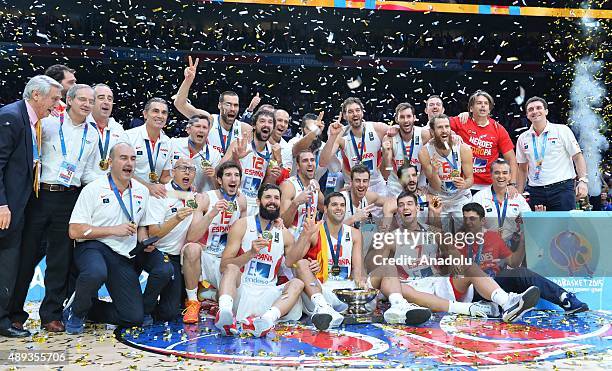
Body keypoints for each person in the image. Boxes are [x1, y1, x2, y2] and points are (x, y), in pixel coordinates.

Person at [372, 192, 540, 323]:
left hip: (437, 282)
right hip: (412, 289)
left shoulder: (431, 230)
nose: (405, 208)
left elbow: (450, 249)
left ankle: (507, 302)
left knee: (469, 266)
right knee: (403, 289)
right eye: (401, 205)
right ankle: (465, 308)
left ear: (417, 208)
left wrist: (454, 259)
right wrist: (386, 218)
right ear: (398, 211)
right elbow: (378, 265)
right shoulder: (391, 237)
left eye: (409, 204)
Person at [11, 84, 98, 333]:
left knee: (59, 261)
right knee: (26, 257)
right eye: (82, 99)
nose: (86, 104)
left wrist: (105, 184)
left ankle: (51, 314)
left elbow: (89, 171)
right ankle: (15, 313)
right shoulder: (48, 124)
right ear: (68, 101)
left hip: (69, 199)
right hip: (40, 197)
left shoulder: (92, 134)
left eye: (90, 101)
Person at [295, 192, 433, 329]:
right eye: (334, 205)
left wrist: (361, 280)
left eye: (342, 205)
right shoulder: (314, 231)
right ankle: (323, 309)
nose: (339, 208)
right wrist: (305, 237)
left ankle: (398, 306)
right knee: (301, 264)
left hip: (348, 292)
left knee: (388, 267)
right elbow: (291, 262)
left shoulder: (354, 234)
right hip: (323, 292)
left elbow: (358, 268)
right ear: (325, 209)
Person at [63, 142, 150, 334]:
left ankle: (87, 307)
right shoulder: (93, 189)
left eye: (133, 159)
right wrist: (113, 230)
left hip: (122, 255)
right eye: (124, 158)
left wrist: (144, 239)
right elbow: (74, 231)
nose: (129, 163)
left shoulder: (142, 192)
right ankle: (76, 313)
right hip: (93, 247)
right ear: (110, 162)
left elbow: (142, 223)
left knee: (133, 318)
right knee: (95, 272)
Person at [0, 75, 62, 338]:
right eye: (54, 99)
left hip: (20, 206)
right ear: (36, 95)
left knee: (10, 263)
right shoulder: (12, 117)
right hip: (7, 207)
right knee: (6, 263)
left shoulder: (33, 122)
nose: (57, 105)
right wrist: (2, 204)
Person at [215, 184, 312, 337]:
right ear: (258, 201)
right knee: (231, 268)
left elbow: (290, 262)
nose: (272, 201)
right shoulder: (242, 225)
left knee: (298, 283)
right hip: (242, 291)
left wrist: (305, 236)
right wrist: (251, 253)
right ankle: (225, 313)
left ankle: (267, 320)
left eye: (276, 198)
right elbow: (223, 266)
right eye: (268, 197)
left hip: (268, 293)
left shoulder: (284, 233)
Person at [460, 202, 588, 314]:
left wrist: (522, 241)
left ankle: (565, 299)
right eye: (465, 219)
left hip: (497, 285)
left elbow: (514, 263)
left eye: (472, 219)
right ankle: (497, 305)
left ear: (483, 221)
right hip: (473, 290)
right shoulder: (457, 241)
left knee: (520, 272)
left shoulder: (493, 237)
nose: (468, 223)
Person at [180, 161, 246, 323]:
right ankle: (193, 301)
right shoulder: (204, 198)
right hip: (204, 256)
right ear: (219, 179)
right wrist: (212, 213)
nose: (233, 179)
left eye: (237, 175)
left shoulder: (241, 201)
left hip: (225, 260)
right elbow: (192, 236)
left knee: (240, 306)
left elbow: (245, 235)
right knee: (192, 248)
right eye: (228, 175)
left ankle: (216, 301)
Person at [140, 158, 203, 325]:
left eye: (191, 169)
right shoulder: (161, 194)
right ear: (173, 172)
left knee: (169, 312)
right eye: (183, 168)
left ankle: (154, 307)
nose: (187, 172)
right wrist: (176, 218)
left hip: (176, 257)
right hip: (155, 251)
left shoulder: (193, 195)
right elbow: (154, 233)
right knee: (164, 270)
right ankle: (144, 310)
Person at [516, 97, 588, 211]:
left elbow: (578, 157)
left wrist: (583, 181)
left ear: (546, 111)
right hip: (536, 191)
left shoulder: (562, 130)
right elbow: (522, 169)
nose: (535, 111)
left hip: (562, 189)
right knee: (540, 228)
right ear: (527, 114)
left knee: (565, 227)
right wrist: (518, 195)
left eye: (539, 108)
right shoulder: (522, 138)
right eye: (531, 109)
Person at [173, 57, 253, 156]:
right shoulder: (209, 120)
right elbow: (180, 104)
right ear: (219, 105)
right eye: (228, 104)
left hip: (230, 170)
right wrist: (188, 80)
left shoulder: (244, 129)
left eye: (236, 105)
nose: (232, 109)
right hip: (206, 169)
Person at [449, 91, 518, 194]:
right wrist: (451, 133)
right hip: (464, 185)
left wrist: (512, 184)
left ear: (489, 109)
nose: (483, 106)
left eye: (486, 103)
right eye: (479, 103)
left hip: (489, 186)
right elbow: (436, 125)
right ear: (471, 108)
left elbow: (511, 159)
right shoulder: (461, 121)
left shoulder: (498, 129)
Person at [319, 97, 392, 195]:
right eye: (350, 111)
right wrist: (332, 137)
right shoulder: (340, 134)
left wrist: (395, 128)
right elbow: (323, 162)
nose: (355, 114)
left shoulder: (377, 128)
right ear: (344, 116)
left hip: (376, 185)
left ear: (362, 112)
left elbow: (400, 132)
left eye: (357, 110)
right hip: (352, 186)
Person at [221, 108, 282, 215]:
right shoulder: (241, 143)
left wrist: (273, 176)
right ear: (254, 125)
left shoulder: (271, 151)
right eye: (262, 121)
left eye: (270, 122)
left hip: (254, 204)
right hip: (233, 198)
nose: (266, 125)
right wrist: (235, 158)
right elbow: (219, 171)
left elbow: (266, 185)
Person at [419, 114, 473, 232]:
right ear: (432, 132)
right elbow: (436, 186)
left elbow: (470, 179)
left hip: (460, 196)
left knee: (468, 231)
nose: (444, 131)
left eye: (447, 126)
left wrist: (464, 184)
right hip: (437, 196)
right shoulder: (425, 152)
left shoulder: (463, 148)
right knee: (437, 232)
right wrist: (434, 171)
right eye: (440, 127)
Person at [471, 159, 532, 247]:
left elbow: (528, 222)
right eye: (497, 173)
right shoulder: (479, 197)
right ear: (491, 175)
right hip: (487, 245)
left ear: (510, 176)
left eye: (504, 173)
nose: (501, 176)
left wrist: (538, 217)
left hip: (512, 245)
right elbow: (471, 225)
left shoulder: (517, 198)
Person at [123, 97, 173, 199]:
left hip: (153, 196)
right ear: (145, 114)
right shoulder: (129, 136)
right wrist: (148, 187)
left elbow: (164, 177)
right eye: (155, 111)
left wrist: (183, 184)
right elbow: (121, 170)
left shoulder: (167, 142)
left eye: (164, 113)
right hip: (128, 192)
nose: (160, 116)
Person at [381, 103, 431, 197]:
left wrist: (454, 136)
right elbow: (385, 174)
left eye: (409, 116)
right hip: (396, 188)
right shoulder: (389, 139)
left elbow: (442, 135)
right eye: (402, 117)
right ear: (397, 119)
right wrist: (386, 156)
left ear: (414, 118)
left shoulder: (424, 135)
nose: (406, 120)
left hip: (419, 187)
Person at [82, 83, 125, 184]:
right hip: (84, 188)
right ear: (92, 102)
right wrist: (107, 182)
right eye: (101, 98)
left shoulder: (118, 129)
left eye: (110, 99)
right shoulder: (82, 124)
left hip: (111, 188)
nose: (106, 102)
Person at [381, 165, 443, 231]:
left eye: (414, 175)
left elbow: (436, 231)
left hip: (424, 237)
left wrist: (437, 215)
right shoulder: (391, 203)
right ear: (399, 181)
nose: (411, 179)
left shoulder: (429, 199)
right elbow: (385, 233)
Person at [169, 114, 222, 192]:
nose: (201, 130)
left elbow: (219, 188)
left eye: (204, 127)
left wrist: (213, 176)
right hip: (174, 196)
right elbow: (164, 173)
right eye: (197, 126)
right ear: (188, 129)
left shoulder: (214, 154)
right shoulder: (173, 144)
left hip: (201, 200)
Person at [280, 149, 324, 239]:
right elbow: (283, 224)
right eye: (305, 161)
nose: (310, 164)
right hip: (291, 239)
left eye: (312, 160)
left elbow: (325, 208)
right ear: (298, 166)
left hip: (308, 239)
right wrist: (295, 203)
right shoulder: (288, 186)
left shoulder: (315, 184)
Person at [340, 164, 387, 229]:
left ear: (368, 183)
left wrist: (386, 215)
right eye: (357, 181)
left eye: (364, 181)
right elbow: (331, 230)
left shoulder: (369, 197)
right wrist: (354, 218)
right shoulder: (340, 199)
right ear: (351, 182)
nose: (361, 185)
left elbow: (391, 203)